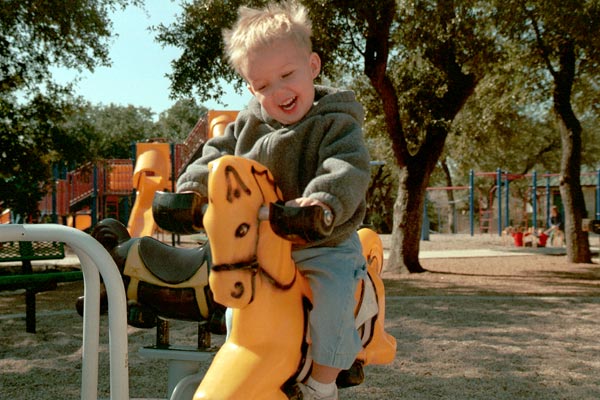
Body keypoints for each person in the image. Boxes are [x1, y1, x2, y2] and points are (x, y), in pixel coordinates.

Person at [176, 2, 371, 399]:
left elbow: (346, 167)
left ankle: (323, 382)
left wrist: (321, 202)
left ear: (312, 66)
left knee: (332, 301)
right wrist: (191, 190)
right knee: (238, 307)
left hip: (322, 243)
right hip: (261, 248)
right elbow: (215, 157)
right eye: (263, 85)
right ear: (251, 89)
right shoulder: (247, 124)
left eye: (287, 75)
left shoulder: (336, 122)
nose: (278, 92)